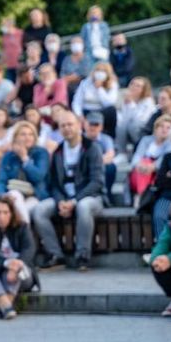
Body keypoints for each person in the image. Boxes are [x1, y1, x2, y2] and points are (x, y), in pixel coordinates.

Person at [33, 111, 106, 271]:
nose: (67, 128)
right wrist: (60, 201)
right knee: (39, 210)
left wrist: (74, 201)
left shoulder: (92, 148)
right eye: (63, 126)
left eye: (70, 124)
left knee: (83, 206)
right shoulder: (58, 151)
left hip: (91, 198)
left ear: (79, 125)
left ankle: (82, 256)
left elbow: (97, 182)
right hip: (64, 198)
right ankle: (56, 255)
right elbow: (54, 184)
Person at [0, 195, 36, 320]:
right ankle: (6, 306)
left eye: (5, 212)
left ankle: (2, 307)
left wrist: (15, 266)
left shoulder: (22, 227)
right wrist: (7, 263)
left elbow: (29, 249)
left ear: (12, 214)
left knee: (18, 269)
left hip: (21, 276)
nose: (1, 217)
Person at [0, 121, 50, 223]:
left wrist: (25, 158)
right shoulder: (8, 156)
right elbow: (1, 181)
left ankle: (21, 231)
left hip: (35, 195)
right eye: (23, 134)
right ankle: (25, 232)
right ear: (15, 137)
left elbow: (38, 176)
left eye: (30, 134)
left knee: (17, 212)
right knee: (15, 195)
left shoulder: (41, 153)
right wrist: (3, 195)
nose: (27, 137)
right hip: (14, 196)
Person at [72, 62, 119, 137]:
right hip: (87, 111)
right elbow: (77, 101)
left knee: (112, 110)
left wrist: (100, 89)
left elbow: (109, 102)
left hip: (102, 112)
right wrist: (79, 115)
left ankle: (110, 137)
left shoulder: (113, 84)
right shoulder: (85, 83)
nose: (100, 73)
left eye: (103, 71)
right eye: (98, 70)